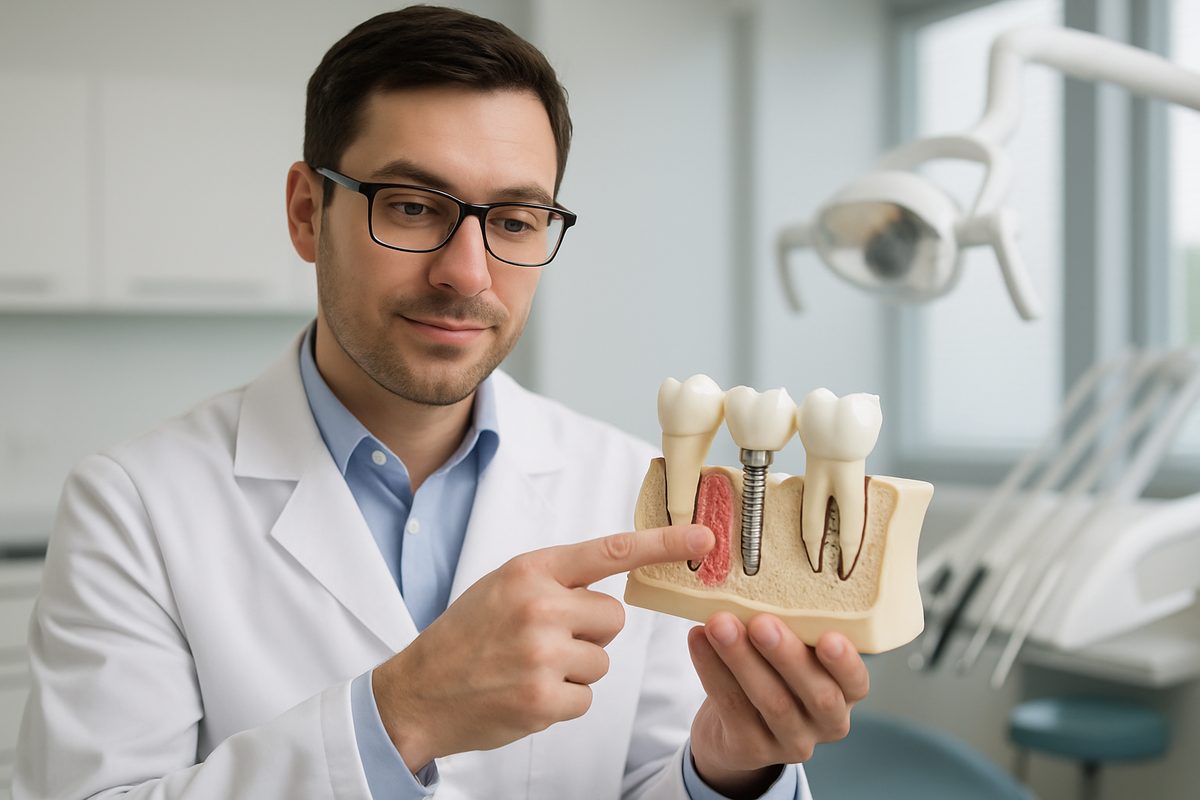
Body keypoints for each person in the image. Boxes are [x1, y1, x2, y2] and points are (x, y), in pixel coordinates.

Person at [14, 6, 869, 799]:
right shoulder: (134, 507)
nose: (467, 273)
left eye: (515, 221)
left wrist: (728, 769)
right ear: (308, 212)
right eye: (413, 207)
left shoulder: (625, 486)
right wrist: (402, 713)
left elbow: (650, 779)